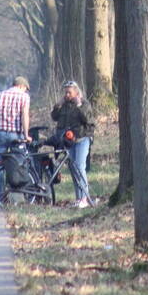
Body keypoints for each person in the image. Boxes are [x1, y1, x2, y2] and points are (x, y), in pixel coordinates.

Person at [51, 80, 94, 208]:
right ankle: (78, 198)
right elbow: (55, 117)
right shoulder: (65, 105)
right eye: (65, 92)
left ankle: (84, 199)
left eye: (69, 92)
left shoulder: (84, 104)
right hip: (69, 141)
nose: (67, 95)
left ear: (76, 92)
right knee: (73, 169)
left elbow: (87, 119)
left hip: (82, 139)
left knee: (80, 167)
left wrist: (79, 105)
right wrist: (57, 106)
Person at [0, 76, 31, 203]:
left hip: (0, 134)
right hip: (15, 136)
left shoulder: (0, 95)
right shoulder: (24, 97)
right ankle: (19, 195)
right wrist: (26, 134)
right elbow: (25, 117)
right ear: (22, 86)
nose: (25, 91)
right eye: (25, 89)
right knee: (18, 165)